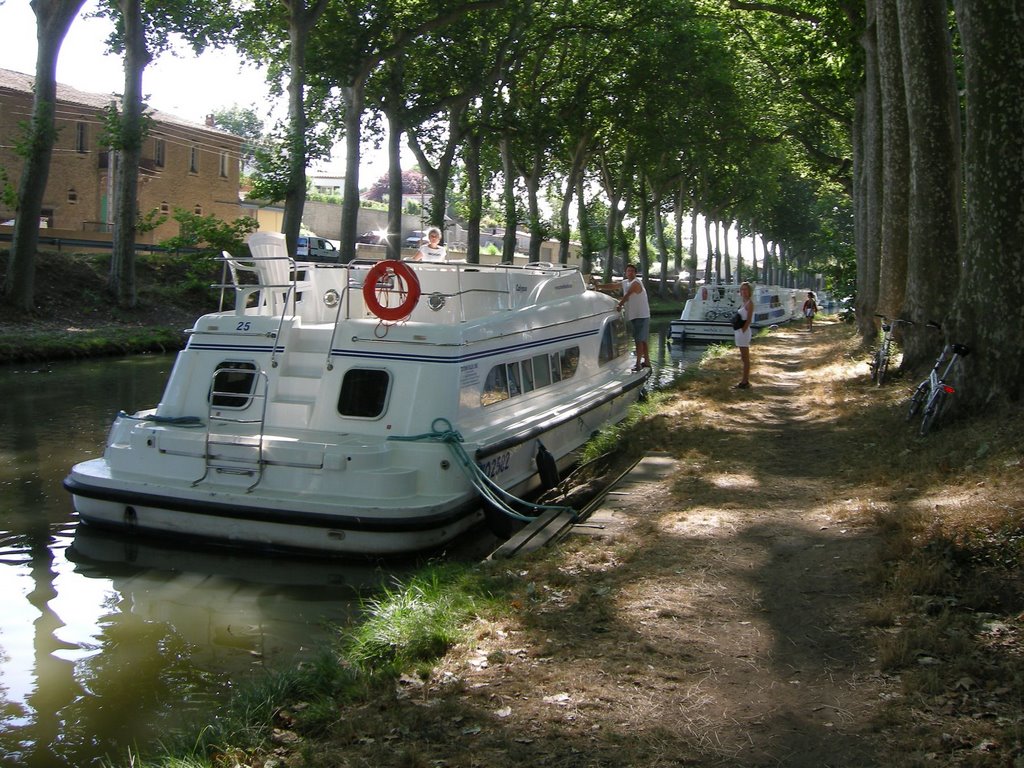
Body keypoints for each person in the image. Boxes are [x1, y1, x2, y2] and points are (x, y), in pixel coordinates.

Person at [616, 263, 651, 371]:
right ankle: (647, 362)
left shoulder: (636, 283)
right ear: (625, 273)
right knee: (643, 340)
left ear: (635, 273)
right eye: (628, 271)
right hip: (635, 316)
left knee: (638, 340)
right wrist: (598, 286)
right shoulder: (626, 282)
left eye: (632, 271)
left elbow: (627, 295)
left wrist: (619, 305)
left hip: (642, 315)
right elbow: (614, 285)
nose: (630, 272)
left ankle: (638, 364)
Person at [734, 281, 754, 389]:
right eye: (742, 289)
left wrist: (742, 331)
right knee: (743, 357)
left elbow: (749, 319)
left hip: (743, 333)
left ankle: (745, 381)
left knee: (745, 358)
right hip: (739, 331)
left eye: (745, 289)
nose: (743, 291)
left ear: (749, 291)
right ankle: (744, 380)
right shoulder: (743, 302)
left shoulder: (749, 303)